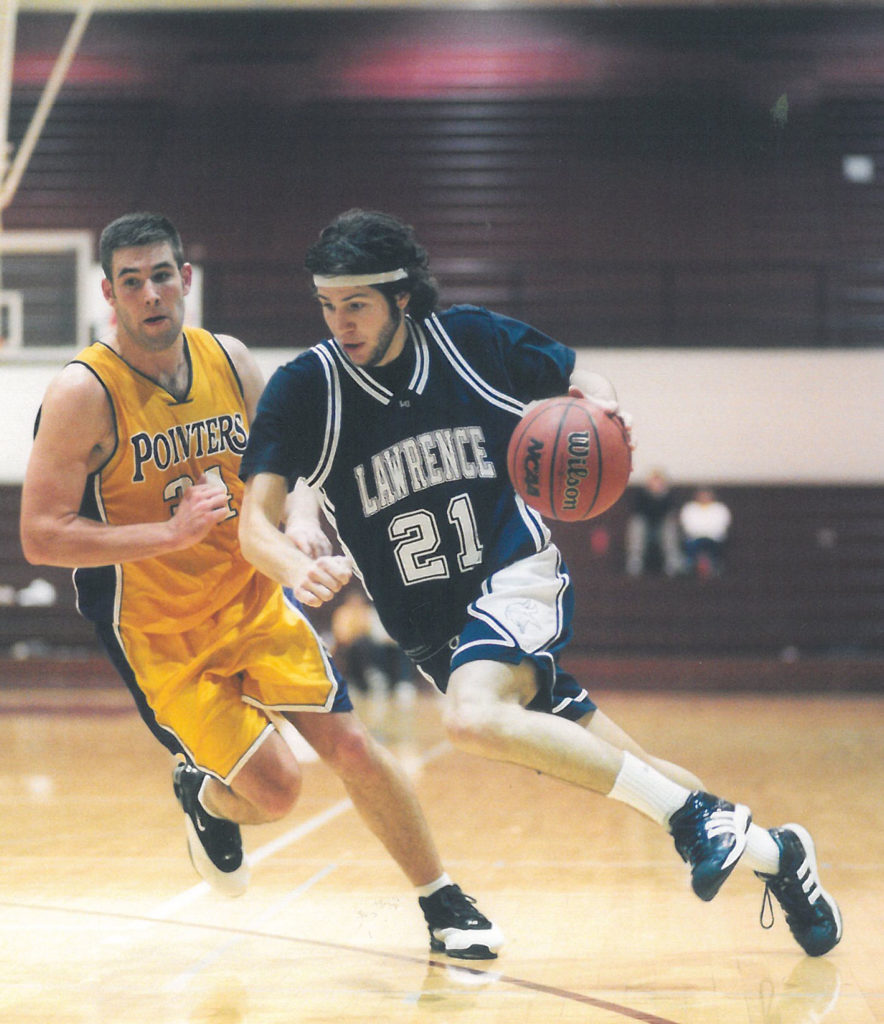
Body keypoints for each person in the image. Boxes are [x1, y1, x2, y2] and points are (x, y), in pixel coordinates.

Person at [238, 208, 842, 958]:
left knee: (470, 721)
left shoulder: (470, 342)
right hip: (433, 632)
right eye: (327, 305)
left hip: (510, 574)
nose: (340, 322)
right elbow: (251, 526)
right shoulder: (307, 389)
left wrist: (599, 403)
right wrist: (296, 558)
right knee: (638, 772)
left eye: (355, 304)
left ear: (401, 296)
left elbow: (579, 371)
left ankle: (695, 822)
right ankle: (779, 855)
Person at [18, 211, 502, 961]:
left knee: (351, 743)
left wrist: (301, 521)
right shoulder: (83, 393)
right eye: (132, 281)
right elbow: (41, 536)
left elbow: (302, 455)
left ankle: (442, 897)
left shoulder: (231, 359)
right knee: (276, 792)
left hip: (251, 599)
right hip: (159, 635)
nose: (152, 294)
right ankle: (204, 795)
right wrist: (166, 536)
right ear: (110, 295)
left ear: (187, 279)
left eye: (162, 275)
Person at [624, 467, 683, 577]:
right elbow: (638, 512)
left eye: (659, 481)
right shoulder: (641, 495)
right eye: (654, 481)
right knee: (637, 524)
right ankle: (635, 560)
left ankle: (672, 561)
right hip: (646, 526)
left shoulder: (669, 496)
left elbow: (671, 512)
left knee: (669, 526)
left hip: (662, 527)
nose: (656, 483)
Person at [679, 486, 732, 578]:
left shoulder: (720, 509)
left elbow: (722, 525)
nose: (704, 496)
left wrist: (707, 533)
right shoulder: (689, 508)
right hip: (694, 539)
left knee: (715, 547)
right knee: (691, 546)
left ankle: (715, 567)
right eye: (702, 494)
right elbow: (688, 526)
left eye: (706, 494)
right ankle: (691, 568)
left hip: (714, 539)